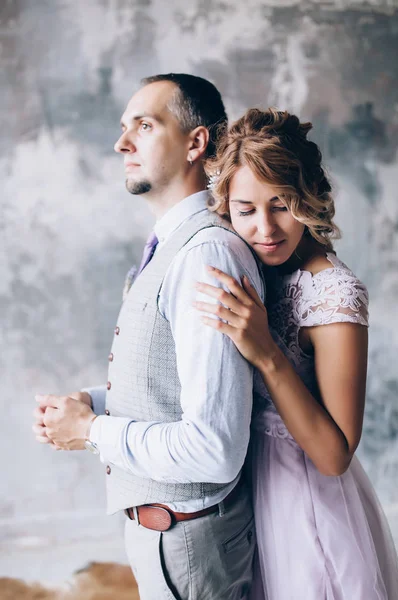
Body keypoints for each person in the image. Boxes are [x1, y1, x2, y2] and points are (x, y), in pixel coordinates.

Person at [32, 74, 265, 600]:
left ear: (195, 142)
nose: (121, 144)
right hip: (167, 537)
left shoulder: (205, 254)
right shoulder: (173, 245)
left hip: (188, 542)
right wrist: (90, 403)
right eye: (123, 127)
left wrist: (92, 430)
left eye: (144, 125)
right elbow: (174, 387)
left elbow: (213, 449)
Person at [194, 108, 398, 600]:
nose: (266, 228)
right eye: (246, 210)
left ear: (307, 198)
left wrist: (267, 353)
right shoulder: (245, 267)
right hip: (241, 502)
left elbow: (334, 456)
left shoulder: (334, 294)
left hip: (306, 508)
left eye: (281, 204)